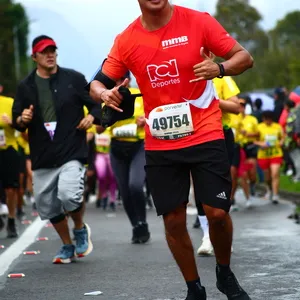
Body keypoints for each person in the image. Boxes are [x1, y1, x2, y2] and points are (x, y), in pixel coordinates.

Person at [89, 1, 253, 299]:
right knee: (173, 219)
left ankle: (224, 273)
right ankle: (194, 287)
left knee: (216, 213)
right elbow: (98, 83)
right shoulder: (126, 39)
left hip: (205, 130)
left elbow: (244, 57)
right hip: (161, 140)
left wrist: (219, 68)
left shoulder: (198, 22)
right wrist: (106, 93)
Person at [12, 35, 101, 264]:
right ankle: (67, 245)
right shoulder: (26, 86)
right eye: (44, 52)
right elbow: (17, 118)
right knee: (48, 207)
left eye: (53, 50)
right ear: (34, 57)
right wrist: (22, 118)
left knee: (69, 195)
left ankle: (80, 228)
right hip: (43, 154)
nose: (50, 54)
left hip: (71, 149)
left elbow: (95, 104)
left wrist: (91, 116)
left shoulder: (73, 78)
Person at [98, 71, 150, 243]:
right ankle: (136, 225)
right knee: (125, 190)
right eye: (115, 81)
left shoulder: (139, 95)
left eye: (122, 79)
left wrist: (145, 119)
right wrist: (107, 117)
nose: (119, 83)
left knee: (135, 185)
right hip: (117, 148)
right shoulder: (108, 98)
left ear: (128, 80)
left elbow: (153, 116)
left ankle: (143, 221)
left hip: (138, 146)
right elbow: (99, 128)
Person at [196, 75, 240, 256]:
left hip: (221, 135)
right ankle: (207, 236)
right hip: (194, 134)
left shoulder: (223, 77)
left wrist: (212, 99)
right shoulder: (184, 76)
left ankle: (222, 233)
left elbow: (236, 107)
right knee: (198, 184)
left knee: (222, 186)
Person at [0, 91, 20, 238]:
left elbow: (22, 125)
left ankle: (11, 220)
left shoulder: (9, 102)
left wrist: (11, 122)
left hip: (8, 148)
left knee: (11, 188)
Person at [254, 110, 284, 204]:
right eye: (266, 119)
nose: (268, 121)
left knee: (275, 174)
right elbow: (254, 140)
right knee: (268, 177)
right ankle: (269, 189)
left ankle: (275, 195)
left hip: (276, 154)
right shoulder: (259, 127)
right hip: (263, 155)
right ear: (263, 119)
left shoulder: (277, 127)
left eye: (270, 119)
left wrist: (281, 142)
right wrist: (261, 143)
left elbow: (282, 137)